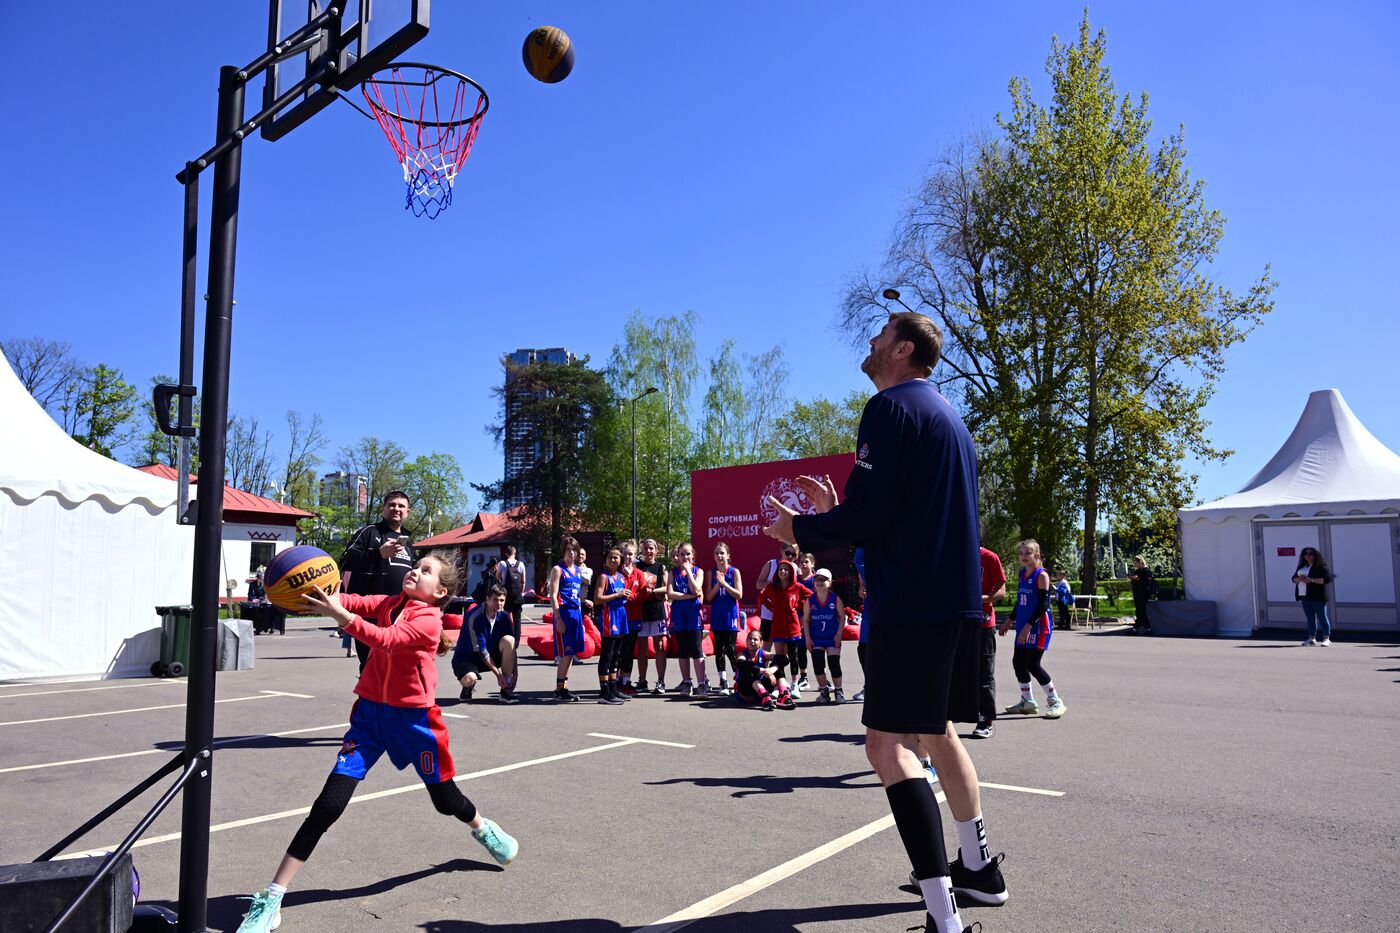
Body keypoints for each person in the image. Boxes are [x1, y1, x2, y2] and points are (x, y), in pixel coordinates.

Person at [764, 311, 1005, 933]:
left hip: (912, 605)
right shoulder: (951, 419)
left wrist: (802, 529)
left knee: (885, 745)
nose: (868, 345)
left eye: (878, 337)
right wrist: (836, 513)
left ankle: (944, 918)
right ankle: (978, 869)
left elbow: (870, 517)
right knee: (935, 733)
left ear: (900, 350)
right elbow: (896, 517)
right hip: (953, 602)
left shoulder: (890, 409)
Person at [233, 551, 518, 933]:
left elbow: (384, 640)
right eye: (417, 565)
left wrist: (342, 617)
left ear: (441, 591)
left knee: (445, 801)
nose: (416, 571)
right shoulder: (390, 602)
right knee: (327, 806)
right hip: (369, 719)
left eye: (426, 571)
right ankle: (272, 896)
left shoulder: (429, 622)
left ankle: (482, 827)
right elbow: (353, 602)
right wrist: (319, 594)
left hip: (415, 722)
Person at [339, 491, 417, 674]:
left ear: (408, 512)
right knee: (370, 665)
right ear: (383, 509)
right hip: (370, 615)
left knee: (395, 666)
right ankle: (368, 701)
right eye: (391, 504)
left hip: (399, 615)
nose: (396, 509)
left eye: (401, 506)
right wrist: (378, 554)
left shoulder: (408, 541)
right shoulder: (369, 532)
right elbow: (345, 560)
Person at [1001, 539, 1066, 720]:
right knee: (1018, 662)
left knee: (1032, 664)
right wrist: (1009, 621)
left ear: (1036, 555)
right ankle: (1027, 701)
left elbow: (1043, 605)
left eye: (1028, 553)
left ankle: (1055, 701)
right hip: (1023, 624)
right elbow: (1021, 601)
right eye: (1021, 553)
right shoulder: (1023, 575)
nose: (1024, 556)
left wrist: (1029, 626)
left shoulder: (1041, 575)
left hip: (1038, 626)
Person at [452, 584, 518, 704]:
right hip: (469, 658)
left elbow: (512, 648)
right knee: (470, 678)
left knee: (509, 640)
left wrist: (515, 675)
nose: (499, 603)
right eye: (495, 600)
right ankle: (468, 687)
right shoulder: (474, 617)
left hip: (490, 655)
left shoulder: (505, 616)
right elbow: (481, 651)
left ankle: (505, 691)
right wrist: (499, 676)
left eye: (502, 600)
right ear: (487, 599)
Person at [758, 559, 811, 700]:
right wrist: (772, 608)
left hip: (793, 626)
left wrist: (798, 605)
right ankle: (780, 686)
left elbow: (810, 596)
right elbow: (762, 598)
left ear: (791, 572)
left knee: (793, 656)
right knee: (779, 657)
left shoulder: (797, 586)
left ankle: (794, 684)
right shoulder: (772, 587)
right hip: (777, 626)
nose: (783, 571)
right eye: (780, 569)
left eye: (786, 569)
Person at [973, 545, 1007, 739]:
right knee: (959, 672)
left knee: (984, 674)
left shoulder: (989, 557)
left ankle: (986, 719)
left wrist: (979, 598)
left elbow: (1001, 591)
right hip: (960, 623)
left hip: (984, 623)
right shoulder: (953, 553)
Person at [667, 542, 708, 697]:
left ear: (693, 555)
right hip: (679, 614)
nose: (685, 557)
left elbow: (696, 589)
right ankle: (686, 682)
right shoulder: (672, 573)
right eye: (682, 554)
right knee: (682, 650)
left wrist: (689, 572)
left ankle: (702, 684)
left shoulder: (699, 571)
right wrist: (689, 596)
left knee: (697, 649)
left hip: (693, 613)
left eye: (688, 554)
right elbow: (670, 593)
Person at [547, 537, 585, 702]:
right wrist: (558, 618)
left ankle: (564, 687)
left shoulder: (578, 570)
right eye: (569, 549)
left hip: (576, 613)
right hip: (564, 614)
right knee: (565, 653)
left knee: (571, 653)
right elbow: (553, 596)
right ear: (563, 551)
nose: (572, 553)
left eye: (574, 549)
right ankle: (558, 688)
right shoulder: (558, 569)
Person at [593, 547, 632, 703]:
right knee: (607, 654)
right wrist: (618, 594)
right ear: (606, 560)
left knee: (617, 654)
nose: (613, 560)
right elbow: (597, 598)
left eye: (616, 557)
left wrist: (625, 596)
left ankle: (613, 687)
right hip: (610, 615)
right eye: (610, 557)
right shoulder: (603, 577)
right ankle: (604, 691)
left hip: (621, 614)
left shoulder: (621, 577)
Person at [802, 568, 847, 703]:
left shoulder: (835, 599)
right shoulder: (810, 600)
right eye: (817, 580)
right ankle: (824, 691)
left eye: (823, 580)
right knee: (818, 664)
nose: (820, 582)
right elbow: (806, 620)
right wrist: (808, 638)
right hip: (816, 638)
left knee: (834, 664)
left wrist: (839, 634)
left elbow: (842, 616)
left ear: (830, 583)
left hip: (832, 637)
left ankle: (839, 691)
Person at [632, 538, 670, 695]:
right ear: (643, 550)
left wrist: (653, 592)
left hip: (656, 611)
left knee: (659, 647)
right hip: (641, 612)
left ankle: (661, 681)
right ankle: (642, 681)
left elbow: (667, 588)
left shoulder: (660, 567)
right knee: (641, 649)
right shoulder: (637, 567)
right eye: (646, 548)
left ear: (656, 551)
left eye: (651, 549)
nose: (649, 551)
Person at [706, 542, 744, 695]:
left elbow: (739, 595)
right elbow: (708, 596)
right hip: (717, 615)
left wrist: (724, 584)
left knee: (731, 648)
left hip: (730, 615)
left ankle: (739, 678)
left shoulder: (734, 572)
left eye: (722, 553)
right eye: (716, 553)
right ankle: (723, 681)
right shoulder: (711, 573)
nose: (719, 556)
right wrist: (717, 585)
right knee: (719, 649)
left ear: (728, 555)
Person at [733, 629, 794, 710]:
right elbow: (741, 663)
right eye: (750, 639)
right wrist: (763, 670)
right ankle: (764, 696)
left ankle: (783, 695)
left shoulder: (763, 654)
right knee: (749, 668)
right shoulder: (742, 654)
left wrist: (772, 669)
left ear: (761, 643)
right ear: (746, 641)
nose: (752, 641)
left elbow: (784, 659)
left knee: (777, 665)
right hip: (747, 693)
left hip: (761, 689)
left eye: (755, 639)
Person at [754, 543, 797, 650]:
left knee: (784, 649)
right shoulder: (771, 564)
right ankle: (763, 667)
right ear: (781, 552)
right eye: (788, 553)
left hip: (785, 615)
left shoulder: (795, 568)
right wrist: (775, 586)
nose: (790, 556)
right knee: (766, 646)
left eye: (794, 554)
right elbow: (758, 584)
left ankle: (779, 667)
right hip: (769, 614)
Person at [616, 540, 644, 695]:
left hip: (633, 617)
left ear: (634, 556)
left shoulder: (638, 574)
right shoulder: (617, 572)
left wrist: (632, 597)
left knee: (629, 650)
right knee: (617, 650)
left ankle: (626, 681)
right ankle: (615, 680)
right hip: (618, 616)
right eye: (625, 554)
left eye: (630, 554)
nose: (627, 557)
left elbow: (644, 592)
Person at [1293, 547, 1334, 646]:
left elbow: (1327, 579)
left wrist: (1311, 580)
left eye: (1311, 553)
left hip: (1317, 595)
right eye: (1306, 554)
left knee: (1322, 617)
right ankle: (1312, 638)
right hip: (1304, 595)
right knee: (1310, 618)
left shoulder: (1320, 566)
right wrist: (1299, 579)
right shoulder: (1302, 566)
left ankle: (1326, 638)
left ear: (1315, 555)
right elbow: (1293, 579)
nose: (1308, 555)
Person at [792, 552, 817, 689]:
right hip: (799, 619)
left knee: (816, 649)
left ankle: (823, 677)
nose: (803, 564)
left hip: (814, 619)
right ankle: (804, 677)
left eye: (806, 561)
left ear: (813, 564)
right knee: (801, 649)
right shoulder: (796, 580)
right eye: (801, 561)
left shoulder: (816, 580)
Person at [496, 545, 528, 643]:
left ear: (506, 553)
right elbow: (523, 581)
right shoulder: (521, 564)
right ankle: (517, 642)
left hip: (506, 595)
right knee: (517, 620)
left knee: (505, 617)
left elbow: (497, 577)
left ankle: (506, 639)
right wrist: (520, 592)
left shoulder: (502, 563)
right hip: (517, 596)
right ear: (515, 553)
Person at [1129, 556, 1155, 635]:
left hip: (1143, 593)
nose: (1135, 565)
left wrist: (1135, 578)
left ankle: (1135, 628)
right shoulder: (1138, 571)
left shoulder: (1146, 571)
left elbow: (1144, 580)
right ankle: (1148, 628)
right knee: (1140, 611)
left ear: (1140, 562)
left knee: (1140, 610)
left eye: (1136, 563)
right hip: (1137, 593)